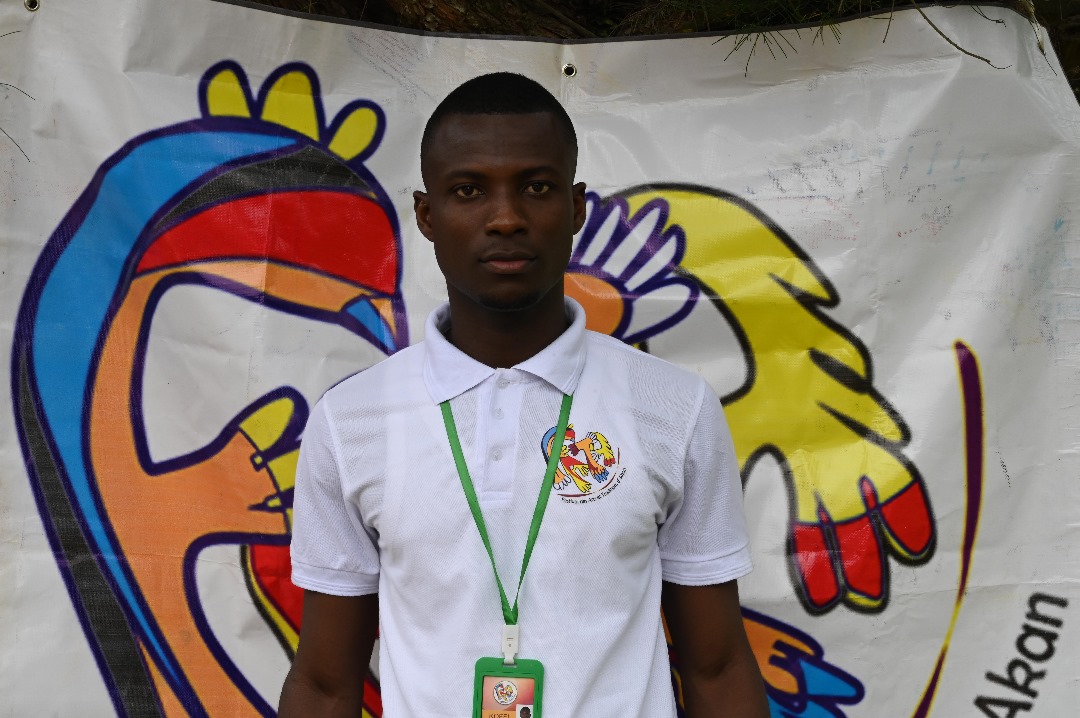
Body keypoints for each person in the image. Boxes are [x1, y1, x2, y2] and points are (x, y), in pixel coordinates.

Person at [278, 71, 769, 717]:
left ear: (576, 208)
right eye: (469, 190)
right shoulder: (351, 422)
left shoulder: (673, 407)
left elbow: (718, 667)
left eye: (536, 187)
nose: (506, 218)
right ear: (427, 215)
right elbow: (324, 685)